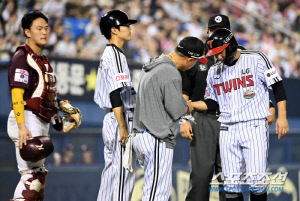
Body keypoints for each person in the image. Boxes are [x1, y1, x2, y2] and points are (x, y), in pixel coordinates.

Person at [180, 14, 276, 201]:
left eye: (221, 30)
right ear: (208, 32)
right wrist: (184, 120)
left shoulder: (241, 55)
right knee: (201, 177)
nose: (216, 34)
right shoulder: (197, 57)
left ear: (229, 33)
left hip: (235, 121)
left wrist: (270, 105)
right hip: (204, 119)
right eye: (213, 30)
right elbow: (185, 91)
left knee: (230, 179)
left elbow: (254, 87)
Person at [130, 36, 207, 200]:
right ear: (189, 59)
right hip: (156, 138)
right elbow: (177, 109)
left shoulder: (153, 64)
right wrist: (195, 105)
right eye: (196, 61)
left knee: (152, 192)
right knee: (157, 194)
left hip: (141, 135)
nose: (196, 64)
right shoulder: (170, 72)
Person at [7, 10, 59, 201]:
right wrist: (22, 126)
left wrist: (58, 113)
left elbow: (43, 95)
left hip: (37, 120)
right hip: (26, 119)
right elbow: (17, 94)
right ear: (27, 32)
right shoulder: (22, 57)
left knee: (38, 177)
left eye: (46, 28)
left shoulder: (41, 60)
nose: (44, 32)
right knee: (31, 177)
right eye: (39, 28)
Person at [94, 10, 137, 201]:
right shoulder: (115, 55)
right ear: (114, 30)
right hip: (119, 117)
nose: (130, 28)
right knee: (123, 173)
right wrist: (123, 127)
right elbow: (115, 93)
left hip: (111, 118)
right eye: (126, 25)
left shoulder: (110, 53)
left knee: (111, 172)